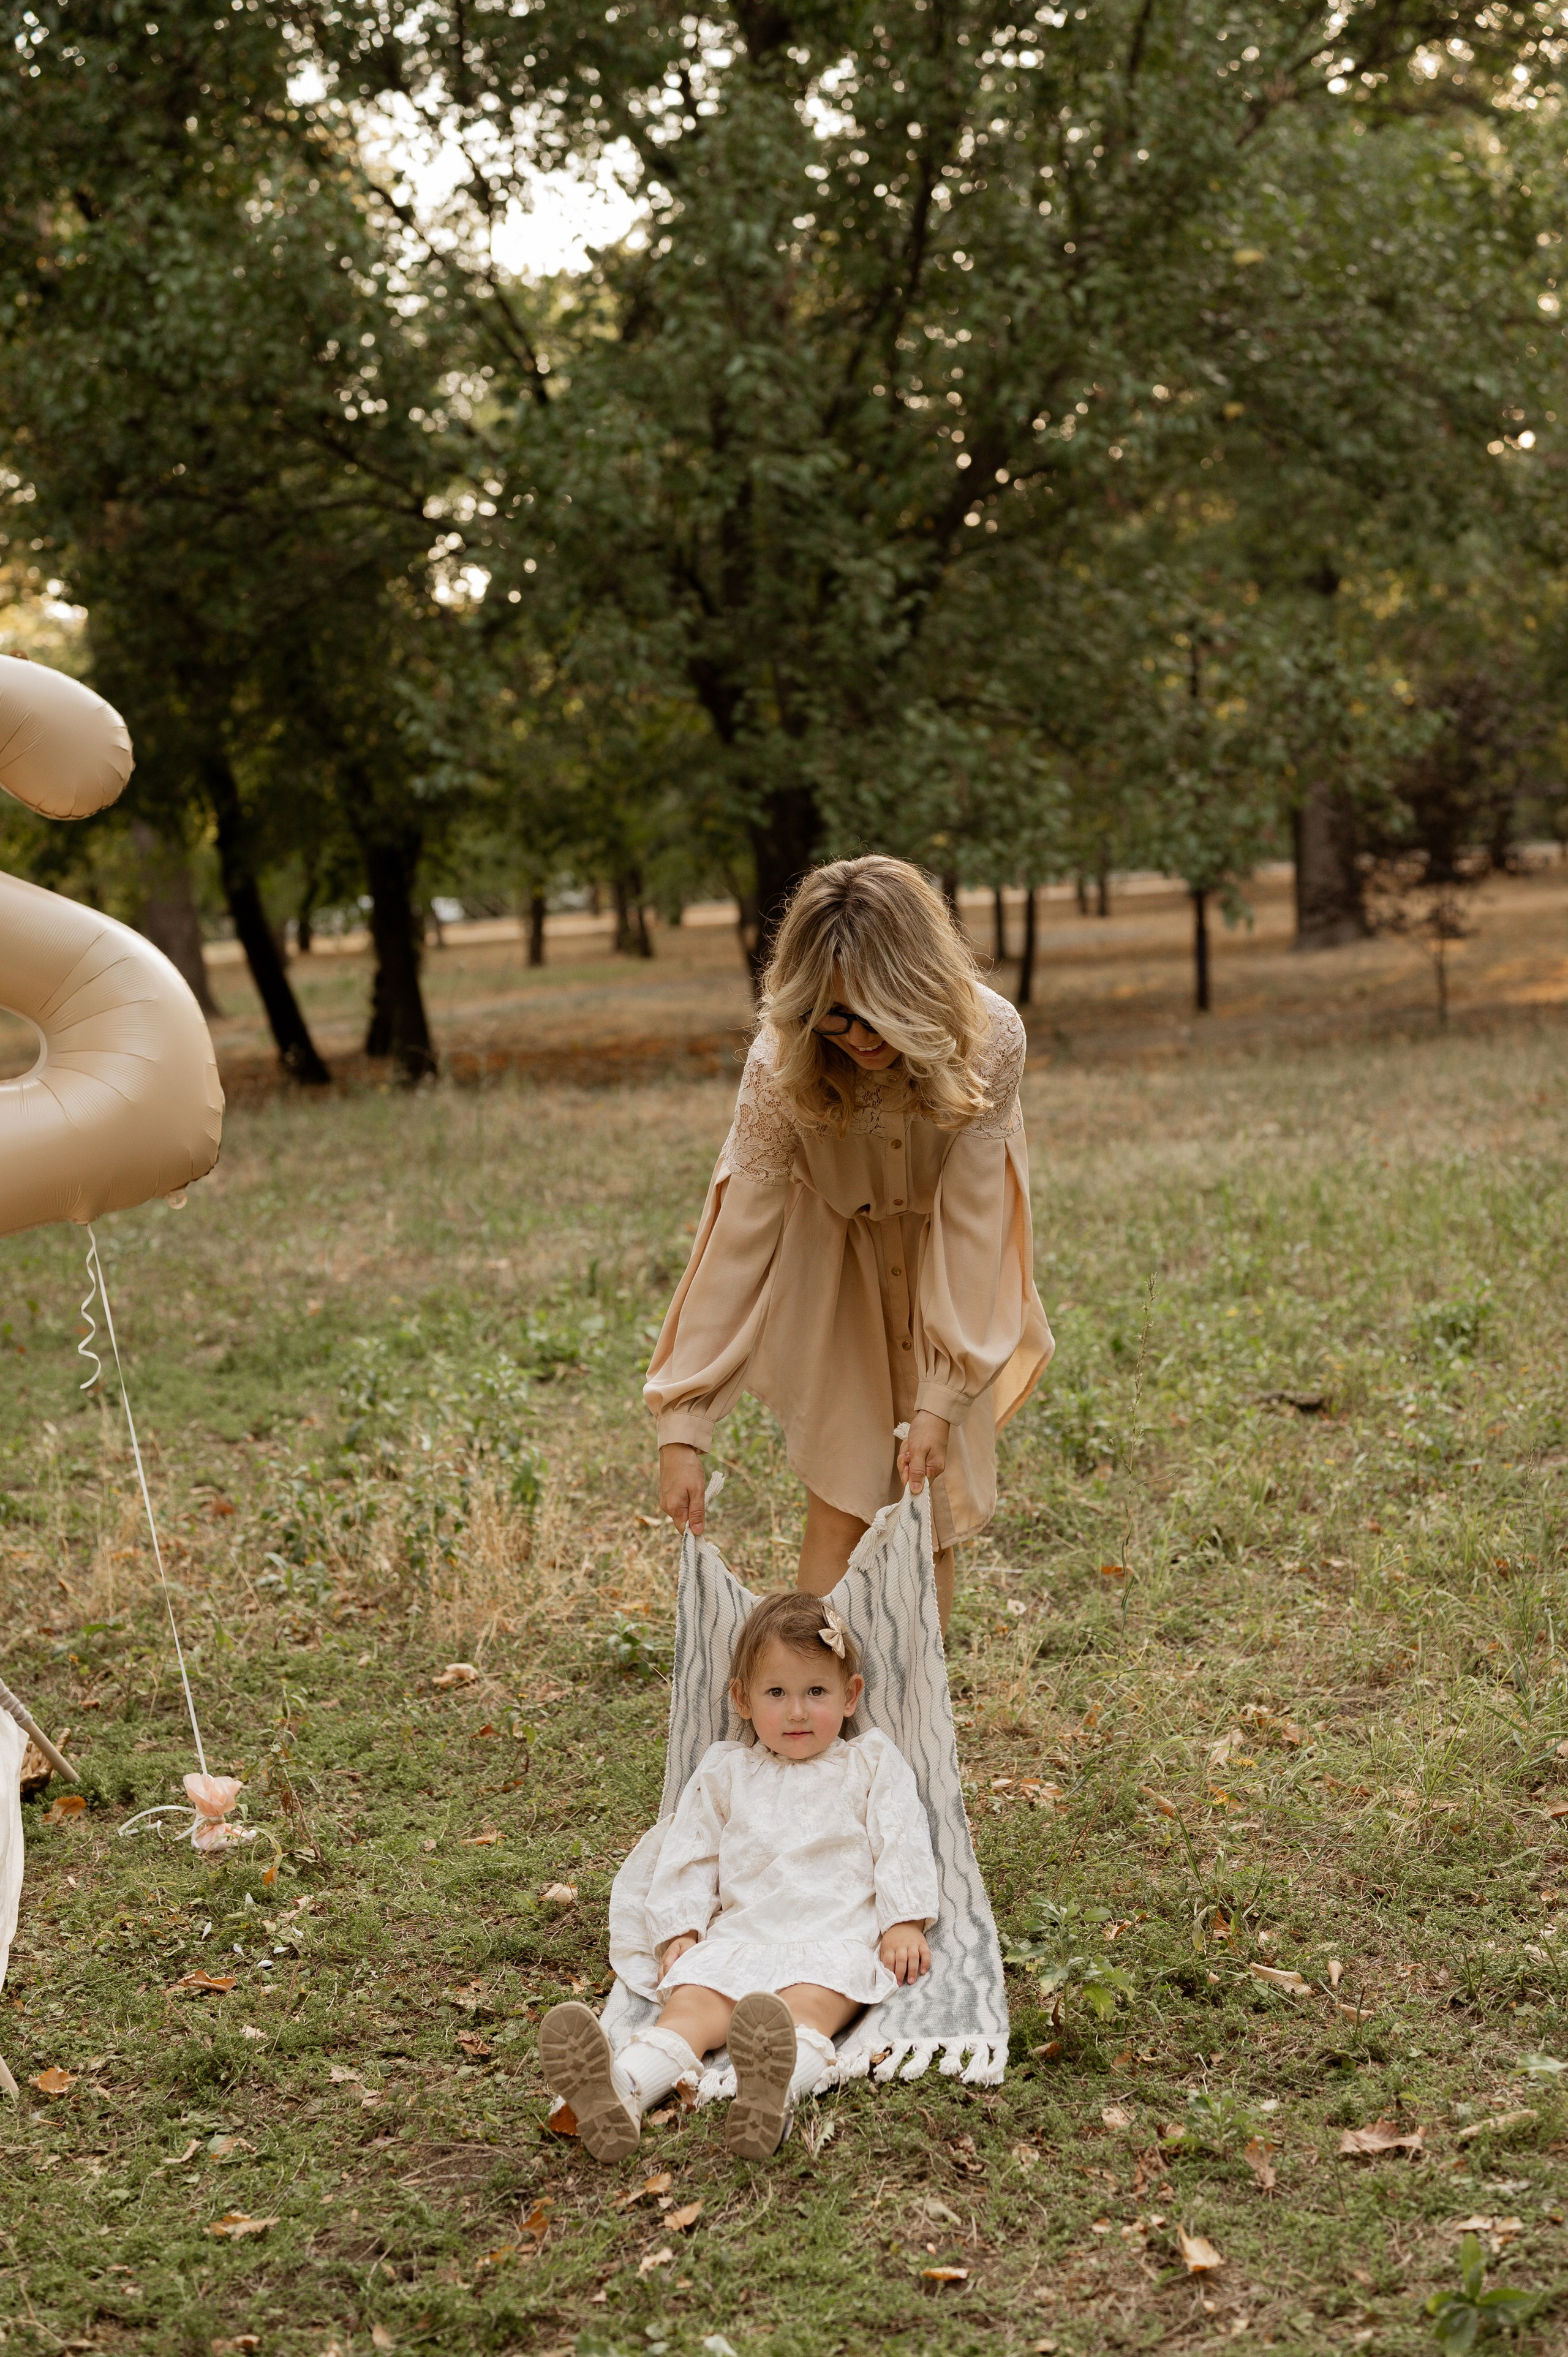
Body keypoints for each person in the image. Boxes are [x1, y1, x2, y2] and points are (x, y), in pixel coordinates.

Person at [646, 854, 1052, 1626]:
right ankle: (823, 1698)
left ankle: (911, 1699)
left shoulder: (990, 1035)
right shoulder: (780, 1062)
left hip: (945, 1274)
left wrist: (942, 1393)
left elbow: (974, 1217)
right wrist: (684, 1423)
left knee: (928, 1508)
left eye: (877, 1014)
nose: (857, 1036)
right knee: (840, 1504)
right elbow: (737, 1237)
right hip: (834, 1274)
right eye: (833, 1015)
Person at [538, 1591, 938, 2160]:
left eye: (816, 1692)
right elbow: (691, 1852)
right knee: (691, 2009)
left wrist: (904, 1921)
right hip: (738, 1938)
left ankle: (771, 2091)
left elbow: (902, 1834)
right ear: (742, 1700)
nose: (797, 1712)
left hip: (832, 1936)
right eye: (776, 1693)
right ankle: (623, 2089)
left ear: (851, 1696)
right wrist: (682, 1930)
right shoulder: (726, 1770)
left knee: (804, 2014)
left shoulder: (871, 1762)